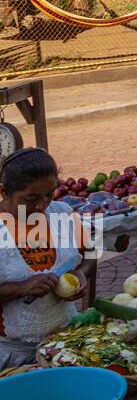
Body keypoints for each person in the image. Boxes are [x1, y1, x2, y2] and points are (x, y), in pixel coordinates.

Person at [0, 148, 92, 368]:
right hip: (11, 355)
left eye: (49, 194)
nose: (42, 205)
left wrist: (80, 273)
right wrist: (22, 287)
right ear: (4, 192)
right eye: (31, 198)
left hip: (65, 342)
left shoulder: (62, 213)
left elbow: (92, 252)